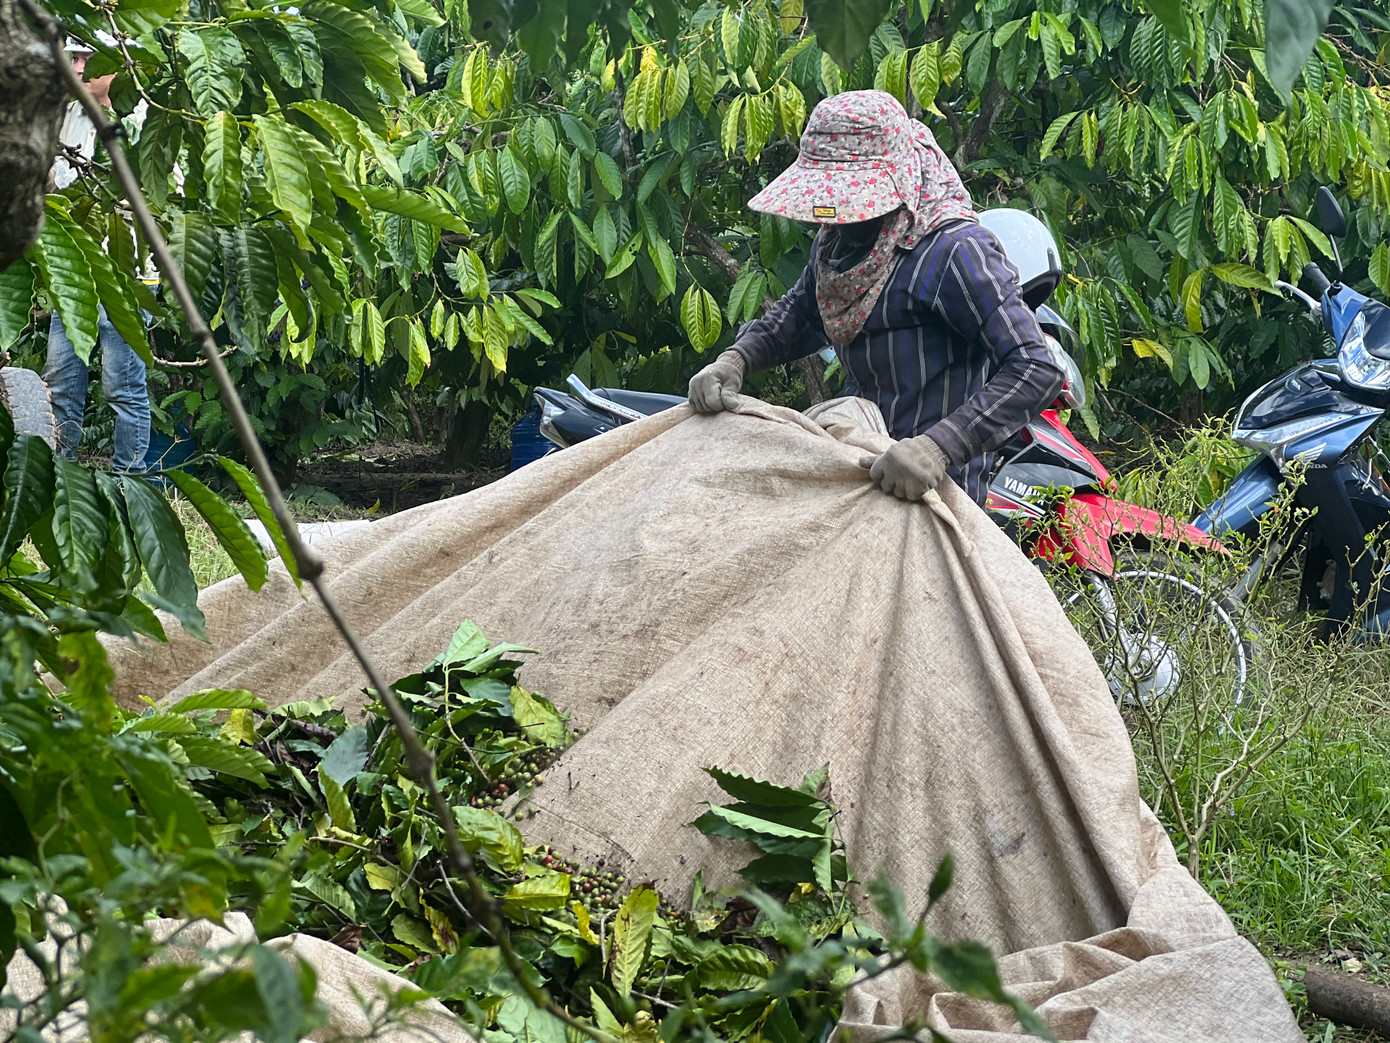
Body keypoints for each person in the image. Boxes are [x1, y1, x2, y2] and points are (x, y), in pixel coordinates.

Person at [687, 90, 1064, 506]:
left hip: (935, 495)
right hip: (858, 476)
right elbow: (801, 313)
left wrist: (938, 447)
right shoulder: (837, 243)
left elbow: (1036, 367)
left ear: (895, 181)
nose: (831, 209)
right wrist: (735, 360)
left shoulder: (954, 251)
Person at [44, 39, 151, 472]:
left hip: (128, 273)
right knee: (61, 381)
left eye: (90, 57)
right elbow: (51, 181)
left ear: (124, 66)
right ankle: (59, 473)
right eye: (75, 57)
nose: (80, 65)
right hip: (73, 271)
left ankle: (131, 479)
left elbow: (165, 193)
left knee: (122, 386)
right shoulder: (66, 116)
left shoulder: (143, 121)